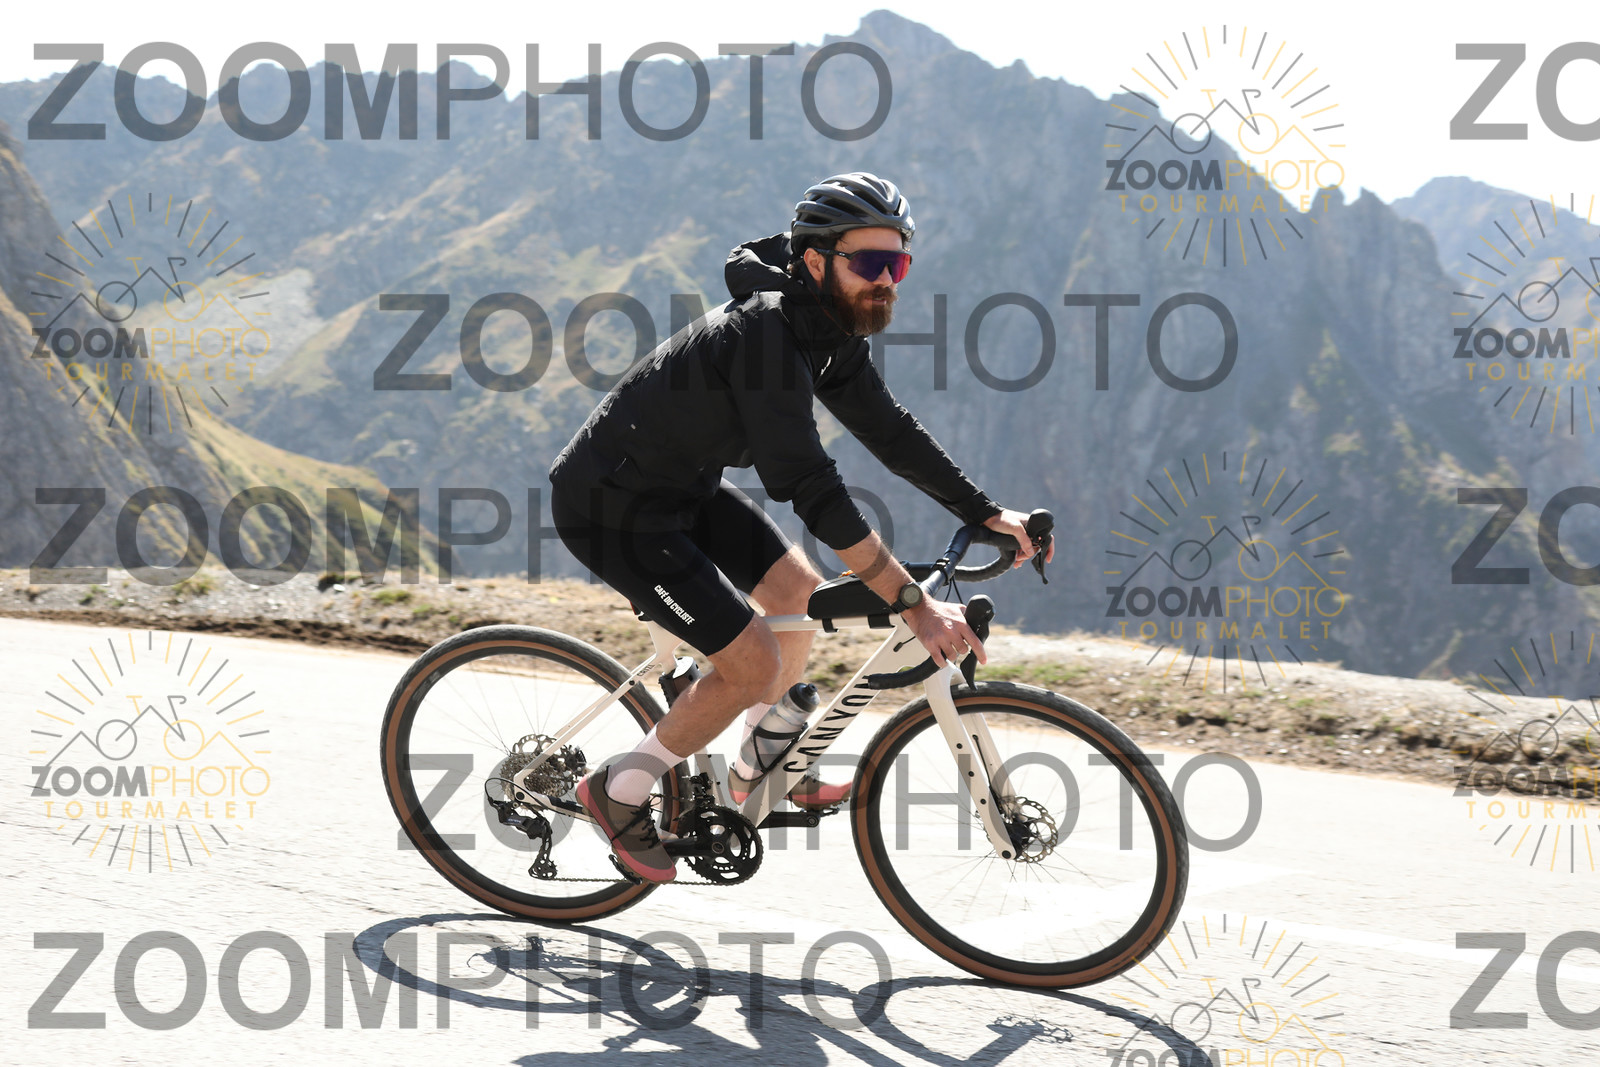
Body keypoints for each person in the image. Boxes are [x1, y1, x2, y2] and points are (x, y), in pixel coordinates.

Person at [548, 172, 1053, 883]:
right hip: (611, 507)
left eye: (898, 263)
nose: (887, 280)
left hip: (684, 488)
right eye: (870, 262)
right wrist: (911, 601)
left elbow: (889, 430)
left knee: (800, 597)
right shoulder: (765, 334)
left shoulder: (829, 326)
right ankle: (620, 788)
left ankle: (757, 763)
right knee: (752, 662)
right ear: (815, 260)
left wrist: (982, 510)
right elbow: (813, 489)